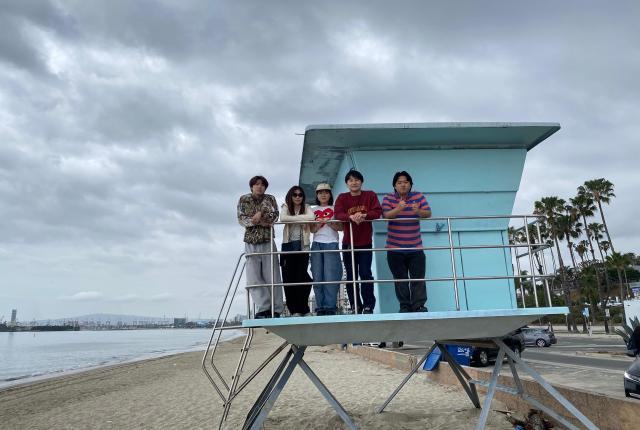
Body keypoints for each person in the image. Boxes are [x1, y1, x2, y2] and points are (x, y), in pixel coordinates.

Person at [382, 171, 431, 312]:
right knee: (400, 279)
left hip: (415, 247)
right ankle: (404, 306)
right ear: (394, 186)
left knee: (418, 278)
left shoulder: (418, 196)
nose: (403, 185)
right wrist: (399, 208)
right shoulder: (388, 198)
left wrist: (419, 212)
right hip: (394, 248)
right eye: (399, 182)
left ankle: (419, 305)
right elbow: (386, 216)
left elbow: (428, 213)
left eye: (406, 182)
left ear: (410, 184)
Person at [335, 169, 382, 314]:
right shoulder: (342, 197)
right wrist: (351, 217)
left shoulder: (370, 195)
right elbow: (338, 213)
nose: (354, 183)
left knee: (365, 273)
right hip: (348, 243)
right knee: (351, 276)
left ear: (361, 181)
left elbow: (377, 211)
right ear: (347, 183)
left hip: (365, 242)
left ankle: (368, 305)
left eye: (356, 180)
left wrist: (364, 215)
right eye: (350, 180)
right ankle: (356, 305)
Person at [237, 175, 283, 318]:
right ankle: (264, 307)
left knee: (272, 276)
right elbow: (241, 218)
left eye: (262, 184)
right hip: (251, 241)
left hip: (267, 239)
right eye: (256, 184)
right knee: (253, 277)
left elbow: (274, 215)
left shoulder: (270, 198)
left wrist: (260, 215)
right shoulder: (243, 199)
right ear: (252, 186)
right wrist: (256, 221)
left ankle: (276, 309)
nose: (259, 186)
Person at [280, 186, 315, 316]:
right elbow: (283, 218)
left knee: (302, 278)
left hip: (303, 246)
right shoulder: (285, 206)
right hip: (288, 245)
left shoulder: (307, 206)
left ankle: (304, 308)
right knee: (289, 279)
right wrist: (302, 218)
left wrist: (296, 218)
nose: (297, 197)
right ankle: (294, 310)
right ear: (291, 195)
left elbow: (311, 218)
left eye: (300, 195)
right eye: (295, 194)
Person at [310, 183, 343, 316]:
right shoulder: (312, 210)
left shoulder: (336, 208)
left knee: (331, 276)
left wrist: (329, 222)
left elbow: (341, 228)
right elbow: (311, 229)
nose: (323, 195)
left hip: (331, 243)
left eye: (326, 192)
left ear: (330, 194)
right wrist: (319, 223)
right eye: (320, 192)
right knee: (317, 276)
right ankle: (320, 306)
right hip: (316, 243)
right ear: (317, 195)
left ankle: (330, 306)